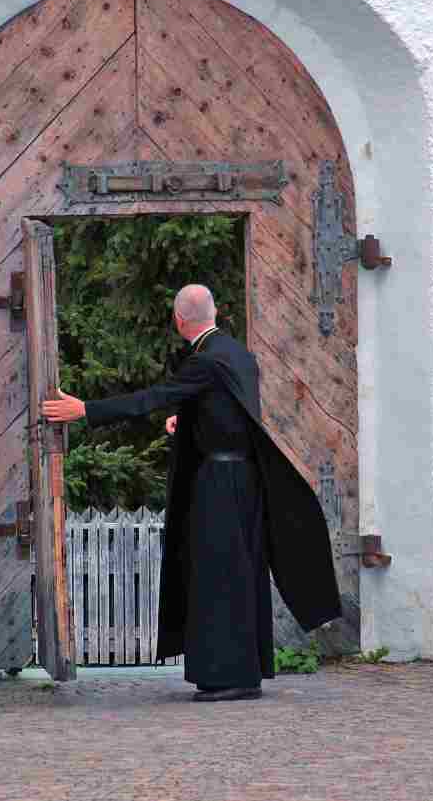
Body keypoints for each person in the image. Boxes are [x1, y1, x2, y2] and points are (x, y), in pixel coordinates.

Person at [41, 284, 341, 702]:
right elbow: (233, 410)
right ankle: (243, 672)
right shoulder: (237, 354)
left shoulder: (204, 361)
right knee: (237, 574)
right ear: (215, 311)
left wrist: (86, 411)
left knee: (219, 578)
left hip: (219, 486)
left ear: (179, 320)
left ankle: (231, 677)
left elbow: (153, 398)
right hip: (243, 481)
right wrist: (190, 421)